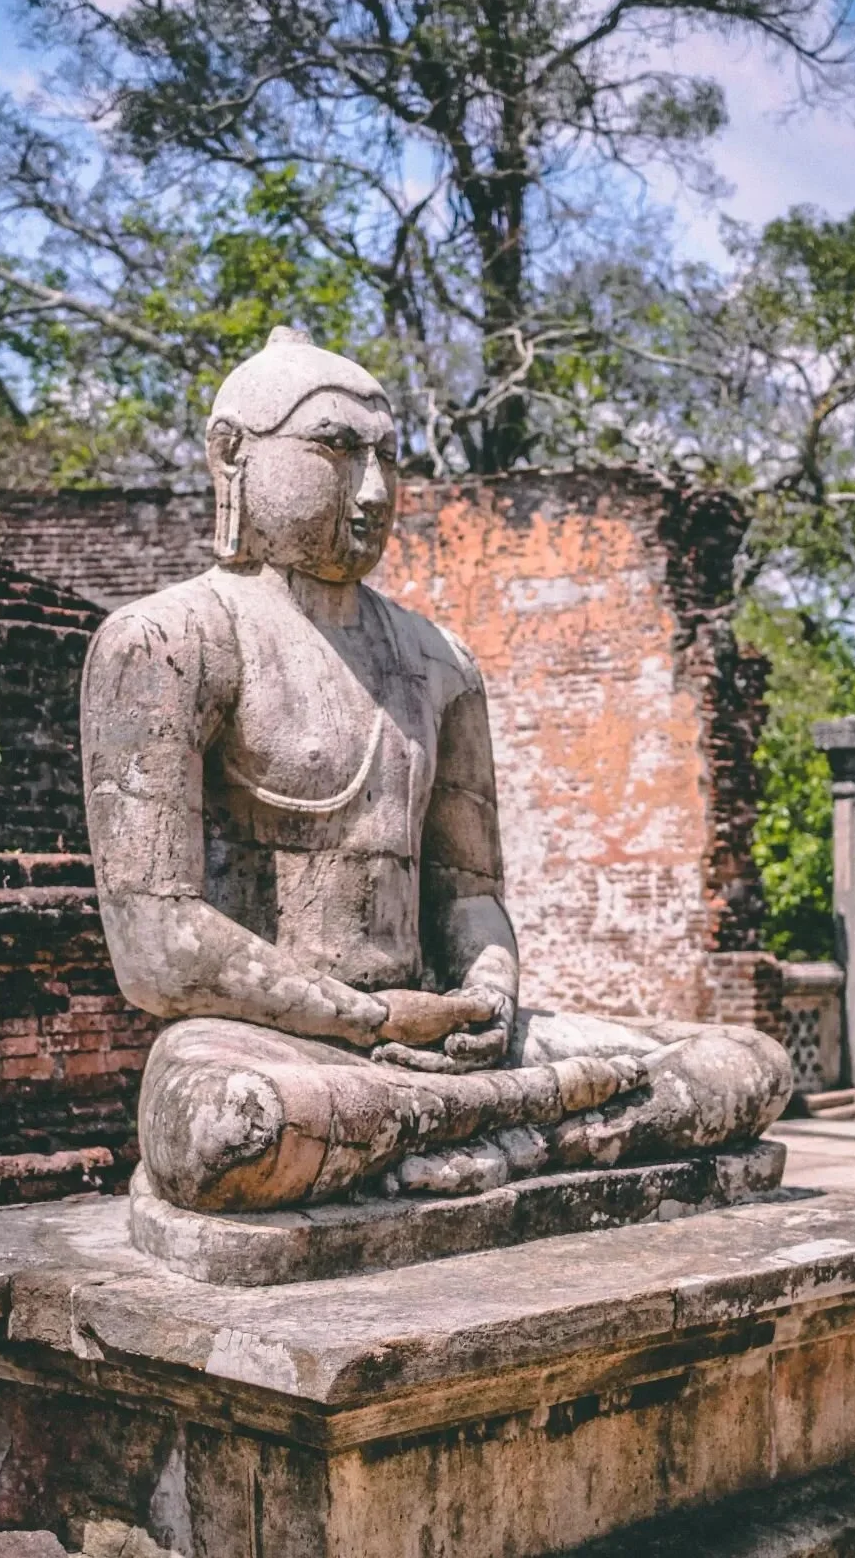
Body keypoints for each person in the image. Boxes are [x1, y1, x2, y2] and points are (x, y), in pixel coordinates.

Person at [81, 327, 791, 1211]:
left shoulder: (438, 660)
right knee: (228, 1132)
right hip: (272, 1046)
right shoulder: (170, 641)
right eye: (337, 450)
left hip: (439, 1042)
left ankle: (476, 1139)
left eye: (386, 457)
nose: (373, 490)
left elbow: (467, 895)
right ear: (233, 455)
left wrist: (489, 994)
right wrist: (369, 1020)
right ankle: (529, 1134)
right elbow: (159, 947)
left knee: (749, 1068)